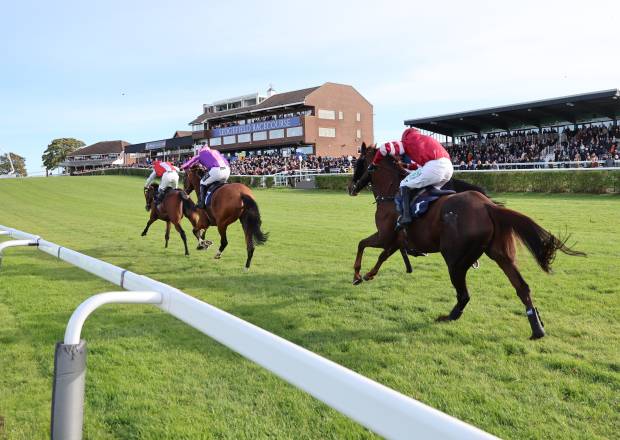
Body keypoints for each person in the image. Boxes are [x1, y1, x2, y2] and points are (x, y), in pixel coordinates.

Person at [368, 128, 453, 229]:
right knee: (429, 188)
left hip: (434, 167)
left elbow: (384, 148)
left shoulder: (407, 141)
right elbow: (420, 167)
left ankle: (406, 217)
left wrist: (374, 163)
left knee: (404, 183)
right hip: (448, 168)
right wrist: (405, 165)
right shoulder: (426, 139)